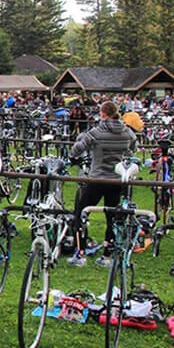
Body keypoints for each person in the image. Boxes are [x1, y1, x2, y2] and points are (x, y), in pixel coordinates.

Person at [67, 101, 137, 267]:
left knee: (81, 213)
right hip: (116, 179)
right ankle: (107, 256)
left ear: (103, 114)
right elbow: (133, 146)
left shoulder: (96, 132)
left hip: (97, 178)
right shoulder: (126, 131)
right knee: (111, 217)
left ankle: (81, 253)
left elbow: (77, 149)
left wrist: (77, 149)